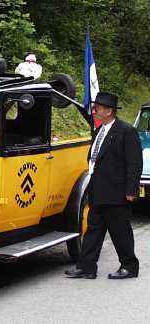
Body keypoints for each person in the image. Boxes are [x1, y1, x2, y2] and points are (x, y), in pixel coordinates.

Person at [65, 91, 143, 280]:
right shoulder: (99, 130)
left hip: (116, 192)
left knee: (120, 232)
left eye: (98, 108)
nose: (95, 110)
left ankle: (129, 267)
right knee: (93, 231)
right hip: (97, 189)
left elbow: (134, 163)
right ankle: (87, 267)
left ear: (108, 111)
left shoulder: (126, 131)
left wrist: (131, 189)